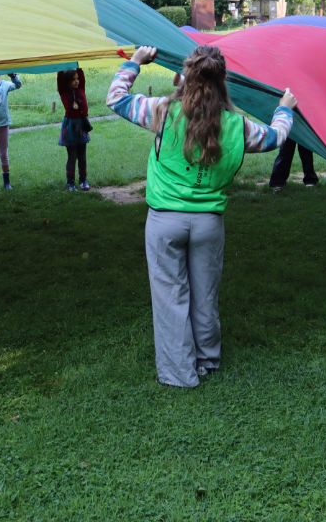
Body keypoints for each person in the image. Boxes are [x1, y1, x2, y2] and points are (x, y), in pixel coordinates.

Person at [107, 45, 297, 388]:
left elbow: (116, 98)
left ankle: (180, 372)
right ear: (223, 80)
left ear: (187, 76)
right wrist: (284, 109)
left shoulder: (163, 111)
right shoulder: (237, 126)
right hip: (208, 223)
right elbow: (275, 137)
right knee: (205, 293)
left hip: (164, 222)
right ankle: (208, 360)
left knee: (170, 297)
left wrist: (134, 63)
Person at [57, 68, 91, 191]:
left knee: (82, 156)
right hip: (70, 126)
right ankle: (70, 183)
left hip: (81, 125)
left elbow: (80, 74)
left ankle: (83, 180)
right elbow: (60, 79)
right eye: (73, 79)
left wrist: (76, 64)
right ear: (67, 82)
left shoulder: (81, 89)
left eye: (77, 79)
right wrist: (62, 65)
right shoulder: (64, 92)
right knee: (72, 156)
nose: (77, 81)